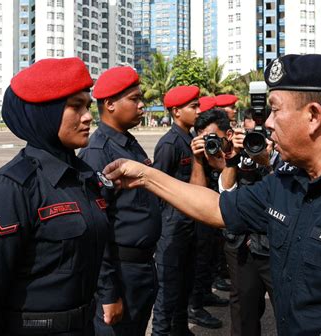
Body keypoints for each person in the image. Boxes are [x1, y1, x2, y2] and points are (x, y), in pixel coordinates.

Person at [103, 54, 321, 335]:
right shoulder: (288, 181)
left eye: (275, 110)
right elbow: (218, 207)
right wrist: (146, 175)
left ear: (313, 116)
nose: (267, 123)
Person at [0, 57, 123, 335]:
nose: (88, 116)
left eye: (86, 105)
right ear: (44, 113)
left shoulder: (85, 176)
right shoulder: (9, 189)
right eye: (75, 106)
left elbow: (98, 251)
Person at [78, 66, 161, 336]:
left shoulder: (128, 144)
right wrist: (108, 293)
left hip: (141, 268)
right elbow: (95, 230)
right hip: (120, 271)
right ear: (110, 104)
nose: (142, 106)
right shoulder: (98, 153)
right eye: (134, 99)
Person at [218, 111, 275, 336]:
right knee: (243, 309)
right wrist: (232, 158)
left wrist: (267, 162)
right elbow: (226, 192)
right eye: (248, 125)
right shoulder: (238, 151)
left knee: (288, 308)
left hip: (274, 243)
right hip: (242, 244)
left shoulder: (284, 150)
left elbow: (287, 194)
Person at [152, 85, 200, 336]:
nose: (198, 110)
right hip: (171, 226)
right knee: (167, 289)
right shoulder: (169, 143)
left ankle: (181, 330)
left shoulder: (190, 139)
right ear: (176, 111)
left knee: (185, 283)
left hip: (188, 222)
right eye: (193, 106)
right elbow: (158, 187)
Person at [187, 109, 231, 330]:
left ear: (228, 135)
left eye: (213, 138)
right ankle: (195, 306)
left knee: (212, 257)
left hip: (225, 218)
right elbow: (197, 193)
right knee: (201, 259)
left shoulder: (236, 153)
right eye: (204, 138)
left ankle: (205, 294)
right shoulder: (201, 156)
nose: (209, 143)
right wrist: (198, 159)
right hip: (204, 219)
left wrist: (226, 164)